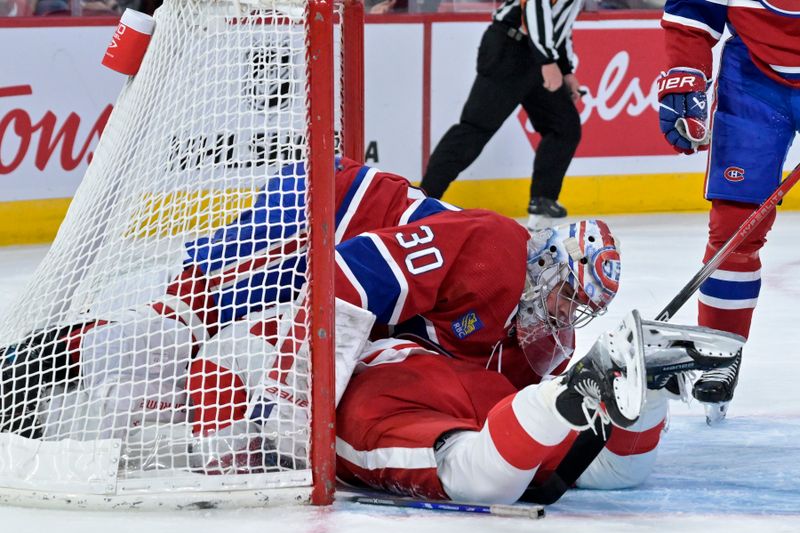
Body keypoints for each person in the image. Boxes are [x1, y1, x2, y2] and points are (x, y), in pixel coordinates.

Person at [1, 159, 742, 505]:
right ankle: (24, 370)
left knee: (206, 389)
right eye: (563, 298)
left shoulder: (528, 332)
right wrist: (297, 411)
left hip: (349, 291)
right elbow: (346, 277)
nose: (561, 318)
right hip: (317, 213)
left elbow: (515, 414)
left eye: (575, 310)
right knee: (164, 341)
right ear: (547, 266)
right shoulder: (494, 249)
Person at [657, 1, 800, 424]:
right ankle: (720, 349)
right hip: (753, 81)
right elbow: (696, 11)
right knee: (734, 229)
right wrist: (686, 73)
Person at [419, 0, 584, 230]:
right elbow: (536, 5)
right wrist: (547, 60)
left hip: (534, 54)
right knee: (475, 128)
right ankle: (423, 199)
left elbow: (561, 21)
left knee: (564, 126)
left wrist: (565, 70)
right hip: (510, 48)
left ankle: (543, 201)